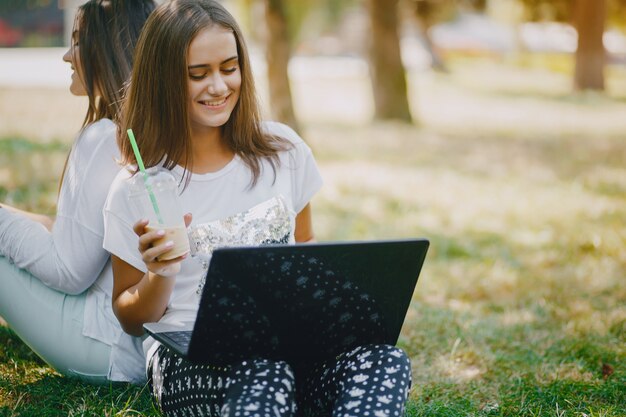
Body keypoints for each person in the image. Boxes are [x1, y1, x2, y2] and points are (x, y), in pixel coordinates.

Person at [103, 0, 412, 415]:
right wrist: (160, 273)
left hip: (289, 343)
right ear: (162, 80)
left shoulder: (284, 152)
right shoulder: (137, 189)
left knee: (384, 359)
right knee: (266, 373)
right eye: (198, 74)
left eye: (229, 68)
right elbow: (129, 317)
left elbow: (305, 246)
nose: (218, 86)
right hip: (192, 356)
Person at [0, 0, 156, 384]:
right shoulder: (148, 128)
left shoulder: (105, 136)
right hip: (137, 346)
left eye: (77, 41)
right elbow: (78, 235)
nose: (67, 55)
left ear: (107, 48)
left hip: (104, 345)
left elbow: (68, 271)